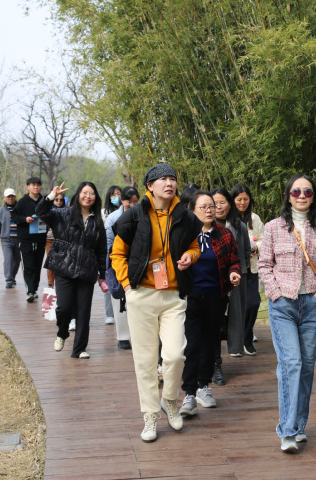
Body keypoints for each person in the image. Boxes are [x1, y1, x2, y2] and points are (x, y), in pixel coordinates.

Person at [110, 163, 201, 442]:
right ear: (149, 186)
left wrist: (190, 257)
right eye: (162, 179)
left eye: (172, 178)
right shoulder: (134, 216)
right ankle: (150, 414)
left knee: (174, 355)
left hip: (173, 295)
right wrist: (128, 287)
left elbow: (194, 246)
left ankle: (169, 400)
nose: (169, 183)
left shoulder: (185, 216)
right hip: (142, 295)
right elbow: (117, 254)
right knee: (146, 361)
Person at [257, 174, 316, 453]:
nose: (302, 196)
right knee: (291, 363)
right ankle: (288, 430)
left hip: (313, 304)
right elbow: (264, 265)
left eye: (307, 191)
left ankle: (299, 425)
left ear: (314, 196)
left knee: (305, 366)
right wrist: (275, 294)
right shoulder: (273, 227)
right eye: (296, 191)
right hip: (284, 305)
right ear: (288, 196)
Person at [179, 191, 241, 418]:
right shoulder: (184, 235)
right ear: (191, 210)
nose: (209, 210)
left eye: (211, 206)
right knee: (192, 344)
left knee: (210, 343)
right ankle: (188, 393)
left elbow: (234, 260)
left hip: (216, 296)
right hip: (190, 297)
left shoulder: (224, 234)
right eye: (203, 207)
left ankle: (203, 387)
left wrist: (234, 273)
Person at [36, 181, 108, 359]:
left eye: (92, 193)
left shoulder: (98, 221)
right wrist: (51, 196)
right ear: (78, 195)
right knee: (64, 307)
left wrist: (102, 274)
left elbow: (101, 249)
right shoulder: (63, 214)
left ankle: (79, 349)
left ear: (96, 197)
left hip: (87, 270)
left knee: (83, 311)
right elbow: (40, 212)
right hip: (64, 267)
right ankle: (62, 332)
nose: (88, 196)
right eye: (85, 192)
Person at [211, 187, 250, 385]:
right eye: (214, 203)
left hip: (236, 276)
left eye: (223, 202)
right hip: (212, 279)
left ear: (230, 204)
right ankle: (214, 361)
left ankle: (234, 348)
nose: (218, 207)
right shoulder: (202, 226)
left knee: (236, 315)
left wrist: (241, 269)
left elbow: (246, 250)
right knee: (212, 320)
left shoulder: (238, 225)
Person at [104, 185, 140, 349]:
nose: (131, 205)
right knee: (120, 300)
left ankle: (137, 335)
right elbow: (109, 244)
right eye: (128, 201)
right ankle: (123, 337)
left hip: (138, 262)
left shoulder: (143, 215)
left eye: (135, 201)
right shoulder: (113, 218)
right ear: (122, 200)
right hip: (119, 261)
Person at [232, 183, 264, 356]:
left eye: (245, 199)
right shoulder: (228, 219)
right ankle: (236, 341)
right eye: (239, 199)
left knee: (253, 302)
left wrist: (256, 247)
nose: (242, 203)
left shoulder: (255, 218)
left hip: (251, 268)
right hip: (234, 269)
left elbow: (264, 238)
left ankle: (246, 336)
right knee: (236, 306)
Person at [11, 177, 48, 302]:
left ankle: (34, 289)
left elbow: (50, 214)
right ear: (28, 186)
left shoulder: (44, 201)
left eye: (38, 185)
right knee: (28, 266)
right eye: (33, 185)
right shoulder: (22, 202)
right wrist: (25, 219)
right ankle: (30, 291)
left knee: (37, 266)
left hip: (40, 239)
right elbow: (14, 216)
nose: (36, 187)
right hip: (26, 239)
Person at [101, 185, 123, 324]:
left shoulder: (129, 211)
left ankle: (121, 311)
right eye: (113, 195)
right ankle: (109, 314)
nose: (116, 197)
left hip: (122, 251)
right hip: (109, 250)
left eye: (119, 194)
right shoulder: (104, 213)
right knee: (109, 282)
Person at [0, 188, 21, 289]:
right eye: (8, 197)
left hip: (19, 239)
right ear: (4, 198)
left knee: (17, 260)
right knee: (8, 259)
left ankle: (12, 277)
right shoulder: (0, 211)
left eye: (12, 196)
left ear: (15, 197)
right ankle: (9, 280)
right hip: (6, 239)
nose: (10, 198)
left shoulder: (20, 209)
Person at [44, 191, 66, 288]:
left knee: (61, 261)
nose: (59, 201)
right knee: (51, 261)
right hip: (50, 239)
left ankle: (60, 282)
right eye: (56, 199)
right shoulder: (49, 211)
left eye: (61, 200)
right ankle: (50, 283)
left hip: (62, 240)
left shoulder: (66, 211)